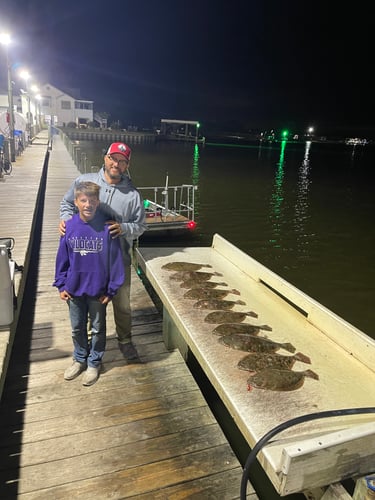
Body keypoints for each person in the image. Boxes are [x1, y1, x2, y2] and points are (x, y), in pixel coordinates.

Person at [59, 142, 147, 362]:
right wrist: (66, 219)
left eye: (122, 161)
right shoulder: (84, 181)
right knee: (91, 302)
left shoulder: (133, 195)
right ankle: (88, 344)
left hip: (119, 258)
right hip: (87, 259)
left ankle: (125, 340)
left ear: (128, 165)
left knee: (122, 304)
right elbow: (67, 203)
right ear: (105, 158)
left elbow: (141, 225)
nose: (116, 164)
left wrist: (124, 228)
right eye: (113, 158)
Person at [53, 181, 125, 386]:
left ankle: (94, 362)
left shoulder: (107, 228)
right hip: (74, 289)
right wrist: (61, 284)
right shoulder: (69, 227)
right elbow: (62, 259)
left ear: (98, 202)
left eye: (92, 201)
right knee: (77, 328)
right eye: (83, 200)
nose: (88, 204)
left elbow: (116, 262)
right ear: (76, 202)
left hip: (98, 291)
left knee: (98, 327)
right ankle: (79, 358)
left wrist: (111, 290)